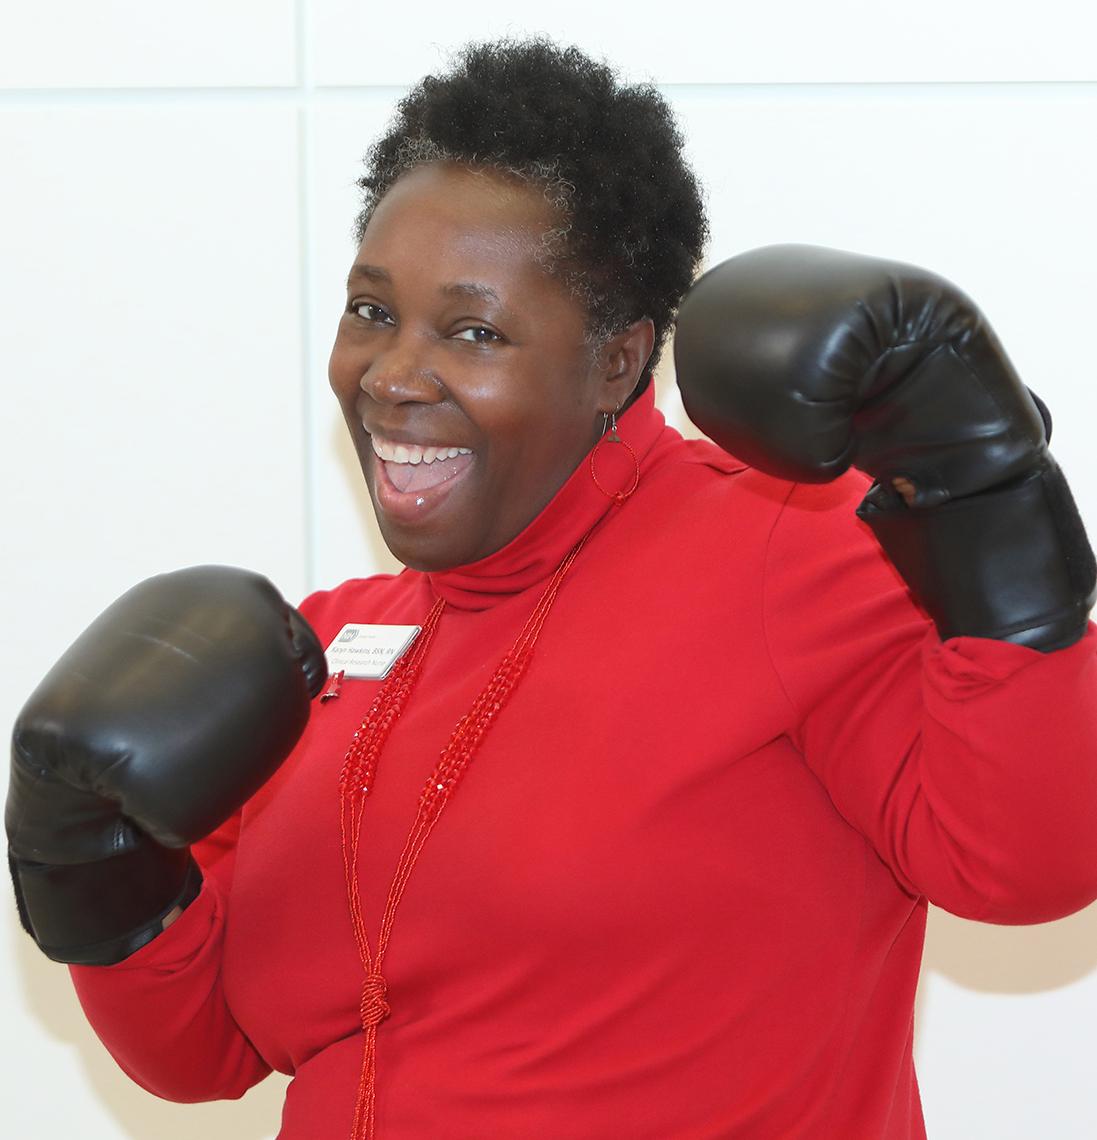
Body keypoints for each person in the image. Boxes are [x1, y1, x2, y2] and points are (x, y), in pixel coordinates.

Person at [8, 38, 1097, 1140]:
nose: (392, 375)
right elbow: (202, 1051)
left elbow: (1023, 866)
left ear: (618, 361)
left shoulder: (783, 551)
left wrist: (984, 498)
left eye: (473, 331)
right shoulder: (324, 651)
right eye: (371, 311)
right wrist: (92, 862)